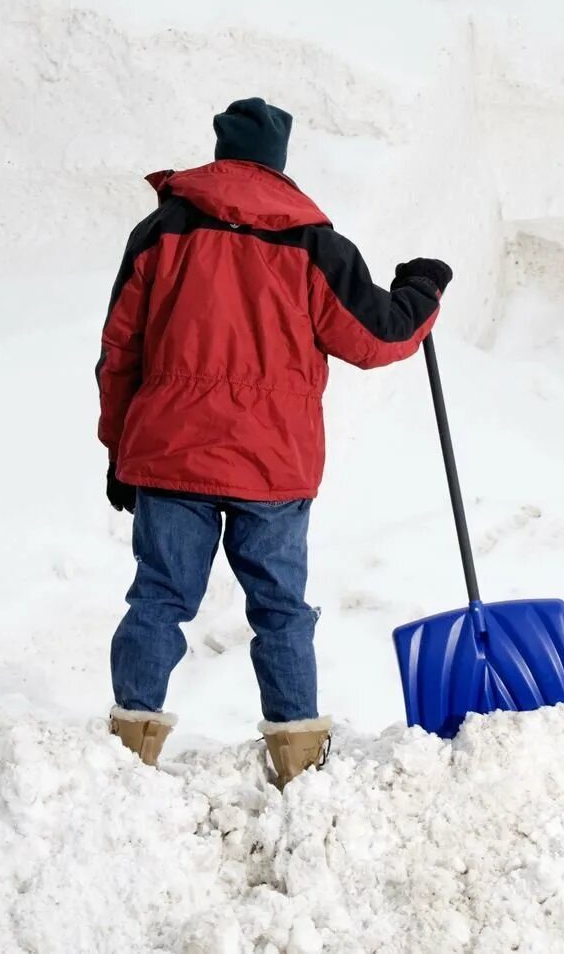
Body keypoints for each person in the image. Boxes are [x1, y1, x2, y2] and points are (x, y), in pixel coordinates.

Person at [97, 97, 452, 787]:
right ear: (278, 161)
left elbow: (119, 349)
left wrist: (118, 450)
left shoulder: (162, 229)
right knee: (281, 609)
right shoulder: (312, 243)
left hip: (169, 453)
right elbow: (377, 338)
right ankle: (297, 761)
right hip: (274, 463)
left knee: (158, 601)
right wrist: (421, 290)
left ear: (221, 148)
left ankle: (126, 756)